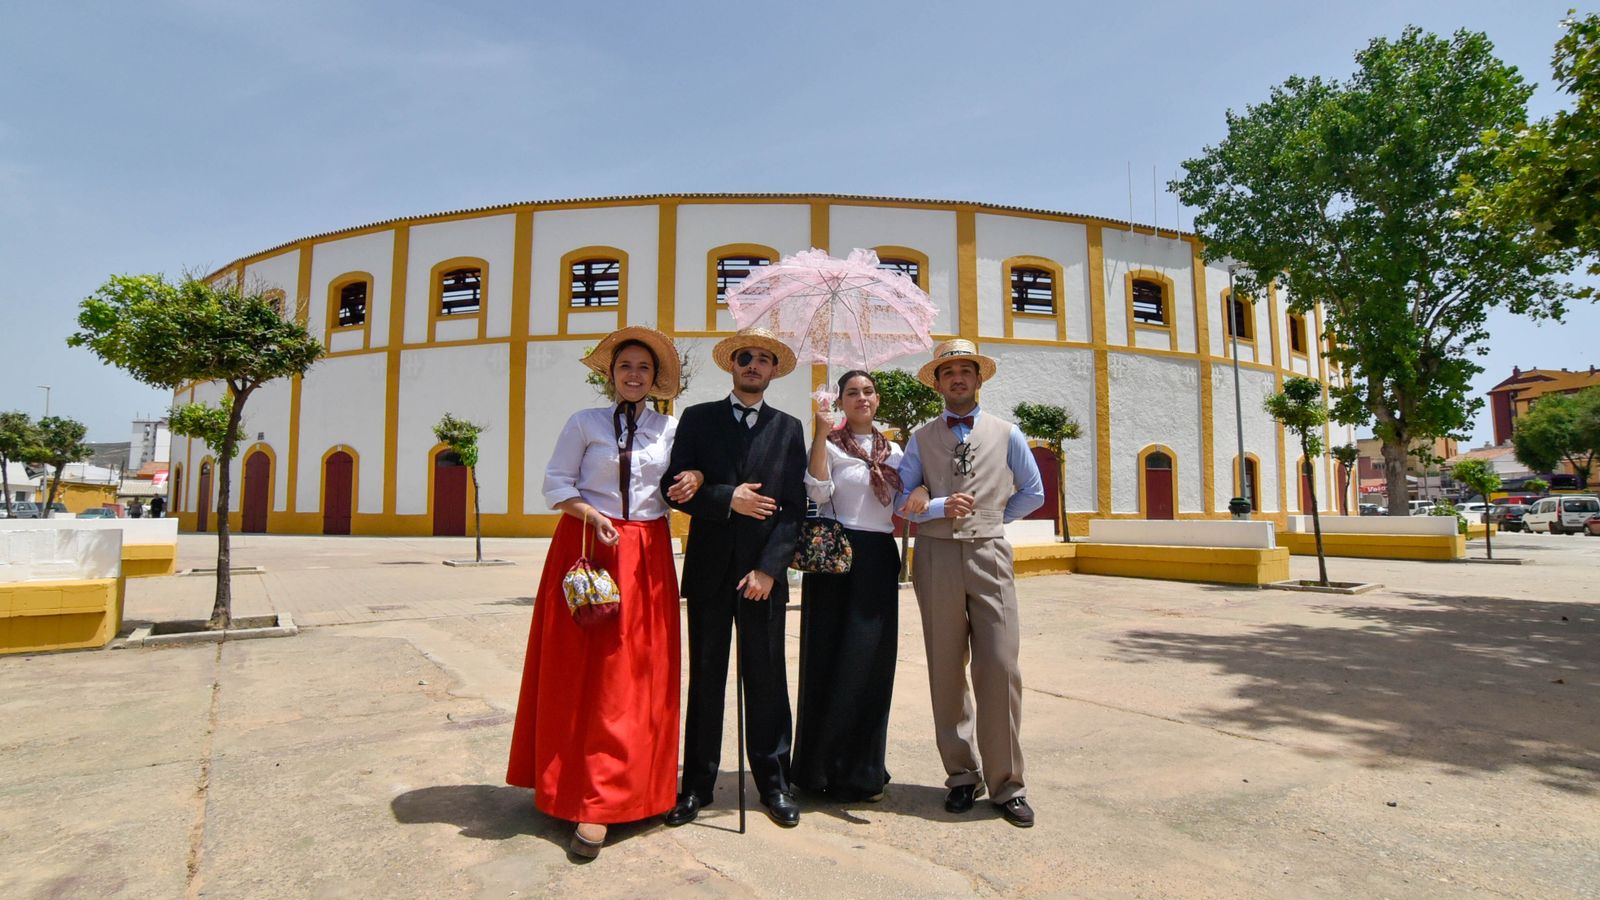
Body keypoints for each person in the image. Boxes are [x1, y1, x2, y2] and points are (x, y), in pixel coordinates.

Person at [505, 326, 702, 860]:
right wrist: (590, 513)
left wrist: (693, 483)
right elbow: (555, 483)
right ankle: (579, 792)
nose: (633, 375)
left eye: (643, 368)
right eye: (624, 367)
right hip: (588, 545)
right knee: (580, 672)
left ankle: (634, 790)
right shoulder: (583, 423)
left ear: (654, 378)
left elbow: (678, 485)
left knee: (635, 674)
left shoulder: (671, 428)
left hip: (646, 554)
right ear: (610, 376)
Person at [660, 326, 808, 828]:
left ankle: (774, 783)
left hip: (762, 576)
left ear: (772, 371)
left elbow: (792, 510)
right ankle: (696, 787)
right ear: (732, 365)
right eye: (745, 357)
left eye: (763, 359)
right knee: (705, 681)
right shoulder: (698, 419)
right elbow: (673, 487)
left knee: (766, 680)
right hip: (708, 573)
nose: (753, 365)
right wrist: (728, 498)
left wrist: (770, 569)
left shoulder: (789, 428)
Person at [897, 339, 1045, 828]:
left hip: (989, 553)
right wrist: (936, 505)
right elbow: (901, 500)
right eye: (948, 372)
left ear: (979, 379)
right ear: (937, 383)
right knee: (945, 666)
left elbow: (1033, 492)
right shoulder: (920, 438)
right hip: (936, 555)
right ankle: (961, 776)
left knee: (1000, 666)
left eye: (966, 370)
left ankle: (1007, 784)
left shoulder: (1007, 433)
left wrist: (993, 518)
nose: (957, 378)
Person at [793, 370, 904, 803]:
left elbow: (909, 493)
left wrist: (926, 488)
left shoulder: (894, 450)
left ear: (877, 400)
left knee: (871, 666)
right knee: (828, 659)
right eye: (852, 392)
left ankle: (862, 768)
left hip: (877, 558)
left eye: (868, 391)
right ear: (841, 400)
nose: (861, 397)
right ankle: (818, 767)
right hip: (836, 556)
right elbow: (817, 492)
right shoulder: (833, 445)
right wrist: (820, 435)